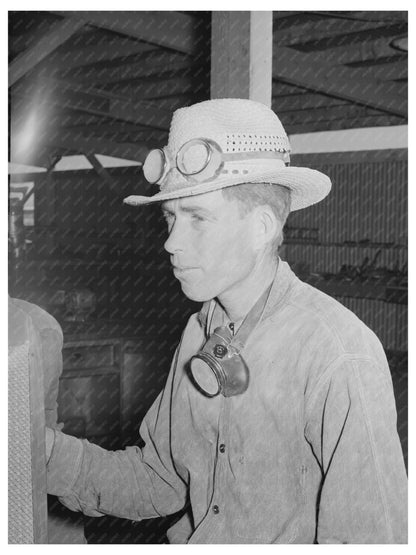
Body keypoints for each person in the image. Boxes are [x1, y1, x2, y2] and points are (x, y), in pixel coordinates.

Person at [45, 98, 407, 544]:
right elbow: (158, 481)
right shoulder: (200, 331)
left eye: (198, 219)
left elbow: (371, 540)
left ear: (261, 227)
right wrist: (37, 451)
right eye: (171, 218)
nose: (172, 243)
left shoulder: (337, 353)